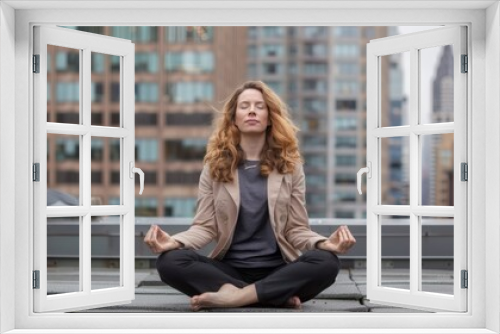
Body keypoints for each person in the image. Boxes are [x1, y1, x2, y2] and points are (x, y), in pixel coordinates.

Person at [144, 80, 356, 311]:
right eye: (244, 106)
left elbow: (296, 229)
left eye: (260, 106)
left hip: (278, 268)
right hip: (228, 270)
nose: (252, 110)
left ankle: (235, 297)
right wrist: (174, 241)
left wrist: (325, 243)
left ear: (269, 117)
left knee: (326, 262)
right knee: (169, 261)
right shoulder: (215, 167)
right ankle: (271, 295)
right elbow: (205, 227)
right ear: (234, 118)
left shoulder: (290, 167)